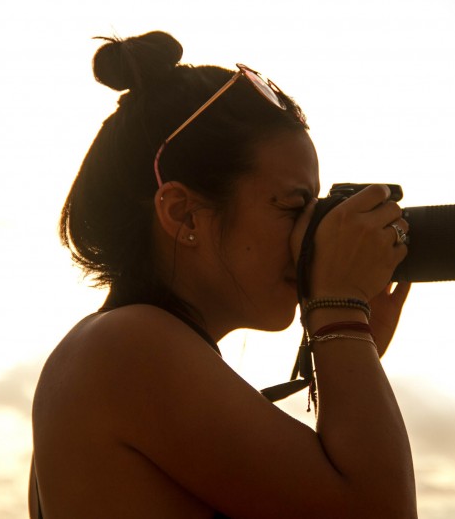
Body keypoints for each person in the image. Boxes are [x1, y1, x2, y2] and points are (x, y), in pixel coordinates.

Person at [29, 30, 416, 519]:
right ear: (184, 214)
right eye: (293, 207)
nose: (309, 237)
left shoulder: (112, 348)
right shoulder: (127, 346)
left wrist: (347, 357)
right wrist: (340, 316)